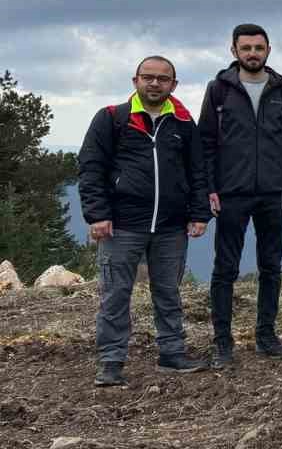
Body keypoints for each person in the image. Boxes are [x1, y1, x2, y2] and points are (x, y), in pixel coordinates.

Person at [79, 56, 211, 386]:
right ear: (135, 80)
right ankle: (111, 361)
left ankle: (172, 353)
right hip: (120, 225)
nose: (155, 83)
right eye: (148, 77)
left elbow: (198, 171)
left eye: (163, 79)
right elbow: (91, 168)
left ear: (174, 85)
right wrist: (97, 214)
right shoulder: (112, 118)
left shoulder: (182, 123)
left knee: (169, 292)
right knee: (115, 294)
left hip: (171, 226)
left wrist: (199, 213)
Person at [199, 23, 282, 364]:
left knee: (271, 267)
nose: (253, 53)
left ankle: (266, 335)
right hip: (232, 192)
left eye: (259, 47)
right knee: (224, 268)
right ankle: (223, 342)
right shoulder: (219, 90)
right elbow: (207, 143)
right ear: (234, 51)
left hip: (273, 191)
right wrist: (210, 188)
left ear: (268, 50)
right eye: (246, 48)